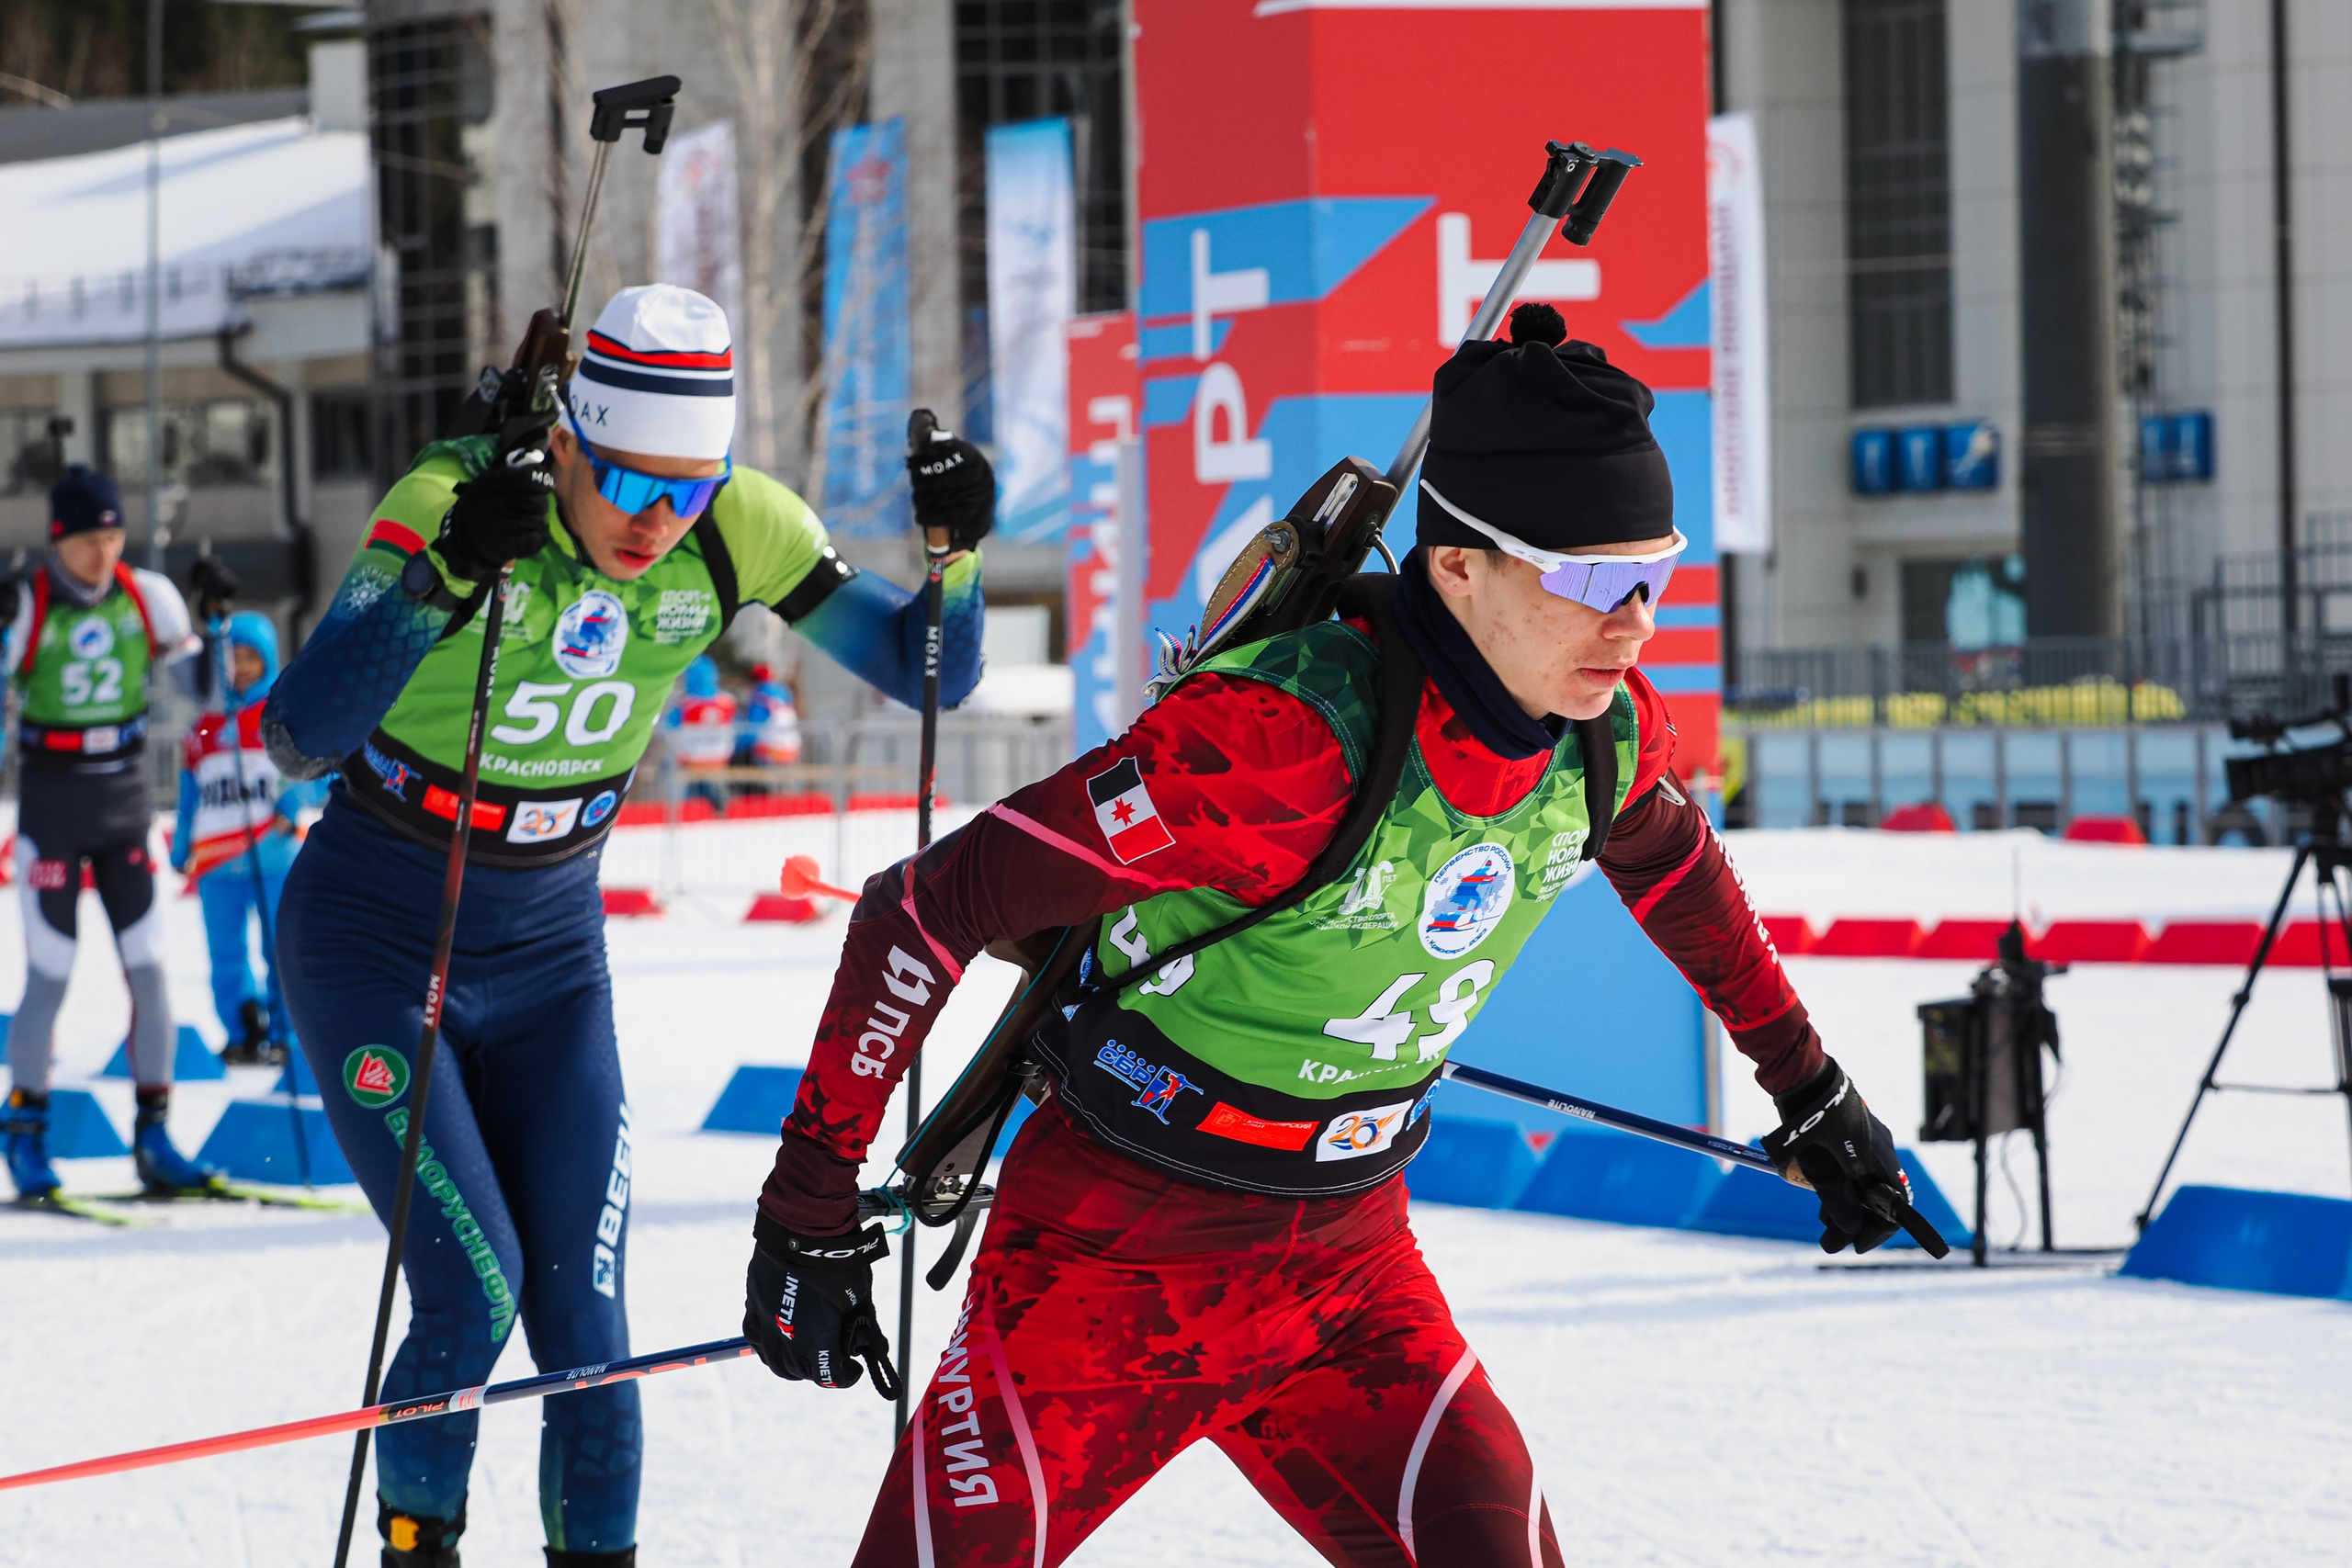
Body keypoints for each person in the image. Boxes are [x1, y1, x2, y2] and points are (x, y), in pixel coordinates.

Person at [741, 304, 1917, 1567]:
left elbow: (1675, 867)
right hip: (1108, 1270)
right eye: (1586, 580)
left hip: (1346, 1277)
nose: (1631, 623)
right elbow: (926, 907)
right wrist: (807, 1204)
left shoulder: (1603, 732)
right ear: (1460, 565)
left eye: (1652, 574)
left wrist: (1811, 1084)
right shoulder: (1279, 742)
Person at [261, 283, 995, 1568]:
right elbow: (299, 737)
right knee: (472, 1293)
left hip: (549, 957)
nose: (662, 520)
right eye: (632, 485)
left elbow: (928, 669)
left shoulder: (740, 527)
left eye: (693, 488)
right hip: (378, 933)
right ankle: (415, 1545)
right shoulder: (458, 497)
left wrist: (959, 556)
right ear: (570, 445)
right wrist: (440, 574)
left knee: (588, 1326)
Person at [1, 465, 209, 1202]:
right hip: (53, 804)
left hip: (123, 802)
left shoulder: (147, 595)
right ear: (59, 539)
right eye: (90, 538)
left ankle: (155, 1134)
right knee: (50, 974)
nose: (103, 551)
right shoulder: (29, 603)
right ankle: (24, 1130)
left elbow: (205, 694)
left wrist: (210, 628)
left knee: (152, 972)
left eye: (114, 536)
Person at [172, 611, 328, 1066]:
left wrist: (292, 806)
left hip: (273, 856)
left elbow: (314, 776)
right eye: (232, 659)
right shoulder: (204, 725)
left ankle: (286, 1034)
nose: (240, 669)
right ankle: (242, 1027)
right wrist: (181, 846)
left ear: (269, 660)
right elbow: (188, 791)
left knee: (280, 951)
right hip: (216, 863)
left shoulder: (281, 716)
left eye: (250, 659)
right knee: (224, 955)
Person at [664, 653, 737, 812]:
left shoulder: (686, 704)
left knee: (691, 802)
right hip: (718, 758)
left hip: (691, 759)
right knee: (717, 797)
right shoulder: (725, 702)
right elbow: (738, 726)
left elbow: (668, 725)